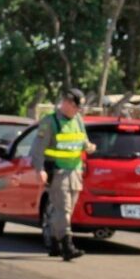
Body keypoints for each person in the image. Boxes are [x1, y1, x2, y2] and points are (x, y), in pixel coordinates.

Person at [30, 88, 95, 261]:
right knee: (63, 209)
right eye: (75, 106)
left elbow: (83, 141)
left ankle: (54, 242)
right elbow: (37, 149)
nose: (77, 110)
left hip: (75, 171)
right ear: (65, 102)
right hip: (57, 172)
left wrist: (88, 146)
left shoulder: (78, 120)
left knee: (67, 210)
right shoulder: (50, 122)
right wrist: (39, 169)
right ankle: (68, 245)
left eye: (79, 108)